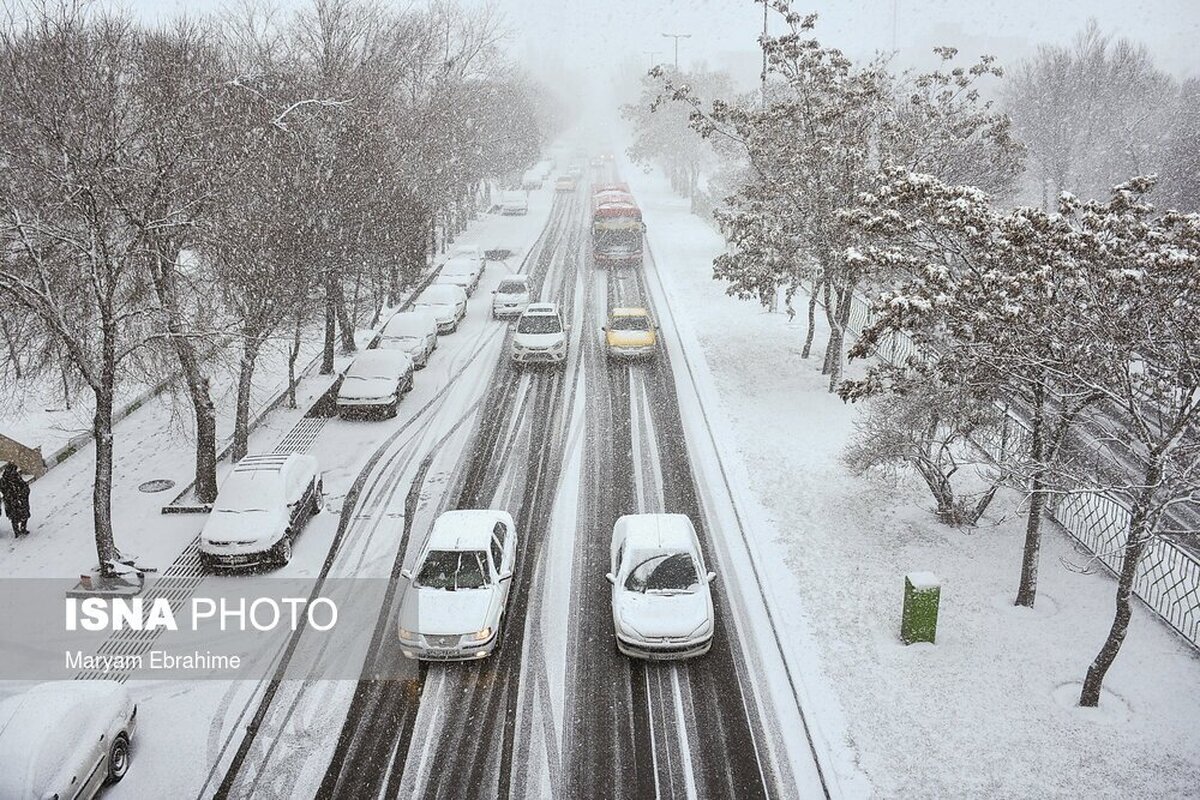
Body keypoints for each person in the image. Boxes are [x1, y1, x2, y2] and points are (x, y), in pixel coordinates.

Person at [0, 463, 30, 538]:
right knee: (14, 517)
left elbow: (24, 486)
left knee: (25, 515)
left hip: (21, 499)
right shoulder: (3, 481)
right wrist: (10, 496)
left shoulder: (17, 477)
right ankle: (16, 531)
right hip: (11, 502)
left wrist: (24, 492)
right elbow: (3, 490)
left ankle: (23, 528)